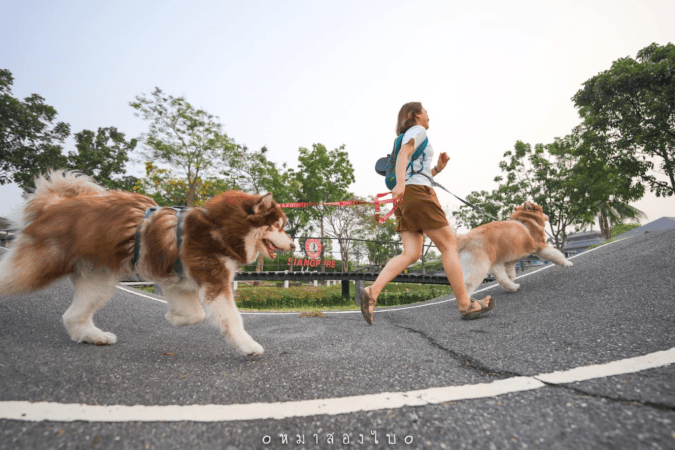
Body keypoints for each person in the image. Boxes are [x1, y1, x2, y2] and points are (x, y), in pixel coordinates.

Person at [359, 102, 494, 324]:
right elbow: (406, 154)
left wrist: (437, 169)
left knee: (410, 254)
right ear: (415, 115)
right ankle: (465, 304)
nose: (429, 116)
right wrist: (401, 185)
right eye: (426, 112)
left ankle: (372, 292)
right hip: (417, 194)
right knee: (449, 245)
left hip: (407, 198)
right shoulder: (417, 130)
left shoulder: (402, 137)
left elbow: (416, 171)